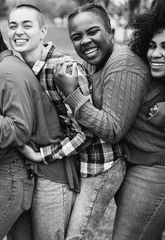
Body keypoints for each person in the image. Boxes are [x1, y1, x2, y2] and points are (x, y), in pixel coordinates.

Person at [0, 8, 80, 240]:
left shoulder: (6, 72)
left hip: (51, 175)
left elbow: (19, 131)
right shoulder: (2, 68)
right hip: (36, 171)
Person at [7, 4, 128, 240]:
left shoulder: (63, 69)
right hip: (79, 162)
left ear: (43, 32)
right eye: (13, 26)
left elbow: (88, 132)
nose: (18, 31)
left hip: (101, 163)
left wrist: (41, 155)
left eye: (26, 25)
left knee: (77, 236)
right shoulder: (27, 69)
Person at [53, 3, 151, 239]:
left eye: (92, 31)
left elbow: (112, 129)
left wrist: (71, 95)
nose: (84, 41)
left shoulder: (122, 65)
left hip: (149, 164)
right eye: (76, 37)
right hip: (129, 157)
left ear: (110, 31)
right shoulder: (95, 61)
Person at [110, 1, 165, 239]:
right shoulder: (145, 72)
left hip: (154, 172)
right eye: (152, 45)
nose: (156, 53)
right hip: (129, 165)